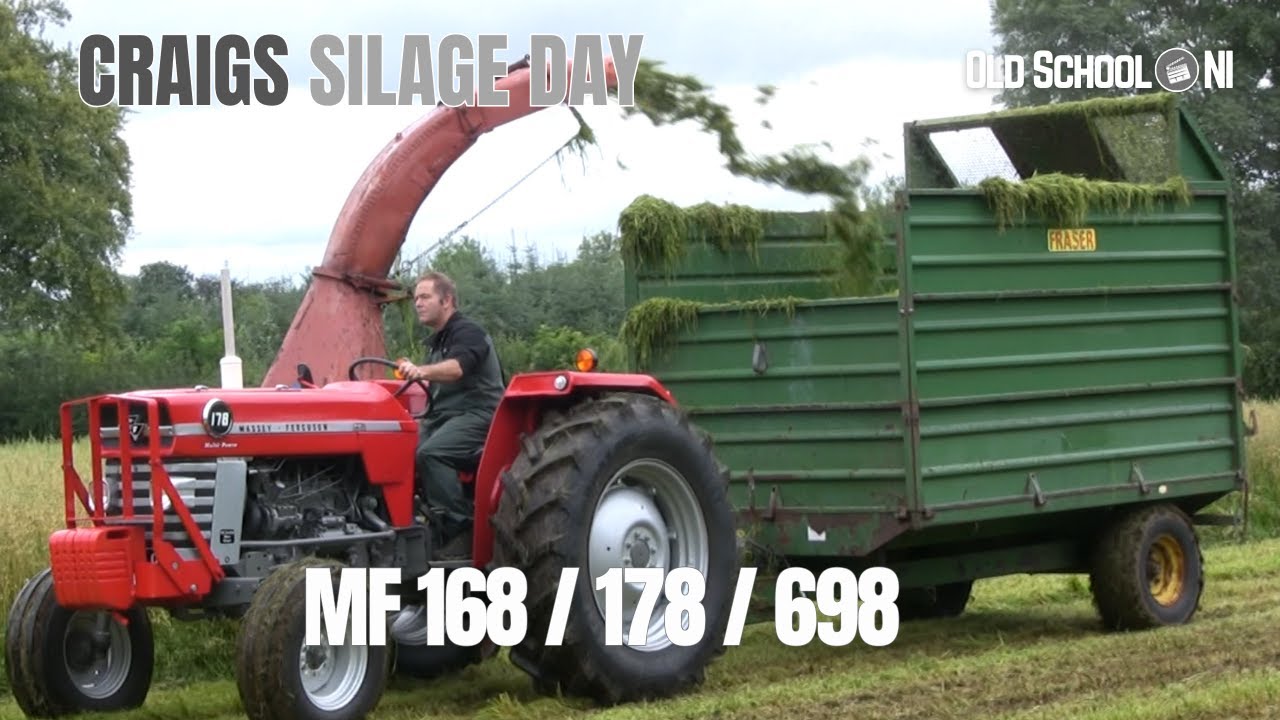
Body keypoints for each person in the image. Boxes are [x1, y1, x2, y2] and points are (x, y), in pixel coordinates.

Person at [396, 271, 505, 559]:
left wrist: (420, 371)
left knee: (432, 453)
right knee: (397, 452)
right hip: (442, 416)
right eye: (416, 298)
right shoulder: (437, 341)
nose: (418, 303)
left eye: (425, 297)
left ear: (446, 301)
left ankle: (461, 531)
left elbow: (457, 368)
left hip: (478, 413)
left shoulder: (468, 332)